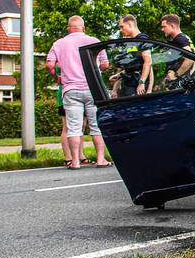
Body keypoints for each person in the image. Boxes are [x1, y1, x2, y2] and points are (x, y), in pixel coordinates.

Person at [45, 16, 111, 169]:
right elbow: (105, 64)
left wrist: (57, 77)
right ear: (83, 28)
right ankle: (100, 159)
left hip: (71, 89)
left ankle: (75, 162)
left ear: (69, 28)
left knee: (73, 127)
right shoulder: (94, 41)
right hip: (92, 89)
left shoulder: (59, 43)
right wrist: (97, 70)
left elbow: (49, 65)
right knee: (96, 126)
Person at [110, 15, 152, 97]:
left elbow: (148, 62)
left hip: (137, 88)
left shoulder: (142, 39)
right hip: (127, 86)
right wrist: (118, 75)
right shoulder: (130, 43)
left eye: (122, 27)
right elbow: (133, 66)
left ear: (129, 24)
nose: (120, 30)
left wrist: (142, 82)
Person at [159, 14, 195, 88]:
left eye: (164, 27)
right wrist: (188, 74)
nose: (162, 29)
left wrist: (176, 75)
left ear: (172, 26)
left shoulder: (179, 39)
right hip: (184, 82)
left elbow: (190, 59)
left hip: (179, 84)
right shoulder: (185, 37)